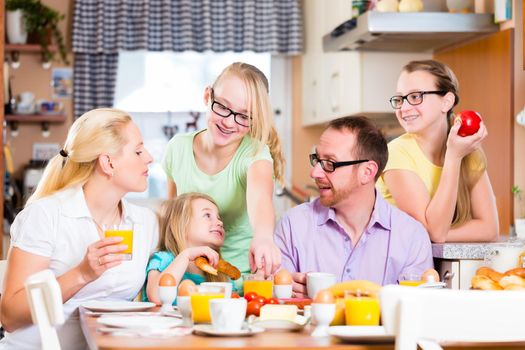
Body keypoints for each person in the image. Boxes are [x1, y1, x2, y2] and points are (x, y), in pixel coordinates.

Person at [0, 108, 158, 350]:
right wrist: (82, 274)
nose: (149, 157)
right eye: (138, 151)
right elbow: (10, 316)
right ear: (108, 162)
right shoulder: (46, 216)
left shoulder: (144, 222)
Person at [274, 116, 433, 297]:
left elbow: (414, 313)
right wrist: (283, 292)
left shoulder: (412, 238)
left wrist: (328, 299)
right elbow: (276, 308)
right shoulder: (291, 227)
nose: (315, 172)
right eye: (317, 159)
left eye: (329, 163)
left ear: (367, 172)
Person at [163, 62, 285, 278]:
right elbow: (171, 213)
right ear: (208, 96)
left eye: (244, 116)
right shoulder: (177, 148)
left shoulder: (255, 154)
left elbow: (261, 200)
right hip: (188, 274)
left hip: (239, 278)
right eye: (223, 107)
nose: (229, 122)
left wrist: (264, 237)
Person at [376, 59, 499, 243]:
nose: (404, 107)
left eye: (416, 96)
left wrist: (435, 234)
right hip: (397, 269)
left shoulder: (467, 151)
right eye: (400, 99)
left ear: (447, 102)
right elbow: (435, 232)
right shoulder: (396, 153)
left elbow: (489, 230)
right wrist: (453, 157)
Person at [145, 192, 231, 304]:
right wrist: (186, 255)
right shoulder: (163, 259)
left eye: (219, 218)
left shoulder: (219, 273)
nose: (219, 222)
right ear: (182, 224)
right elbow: (157, 296)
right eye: (207, 215)